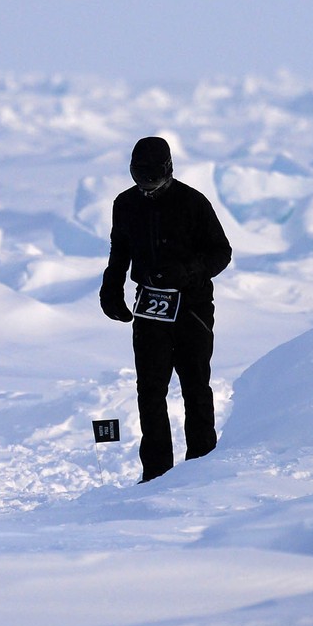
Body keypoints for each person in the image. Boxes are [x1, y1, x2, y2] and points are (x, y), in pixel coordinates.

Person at [99, 136, 233, 482]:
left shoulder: (193, 203)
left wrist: (186, 272)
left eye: (152, 176)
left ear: (169, 170)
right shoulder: (125, 204)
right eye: (138, 175)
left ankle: (201, 466)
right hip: (150, 308)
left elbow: (221, 252)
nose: (145, 183)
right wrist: (111, 287)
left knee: (195, 386)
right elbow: (120, 250)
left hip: (192, 307)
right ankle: (156, 472)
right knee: (150, 390)